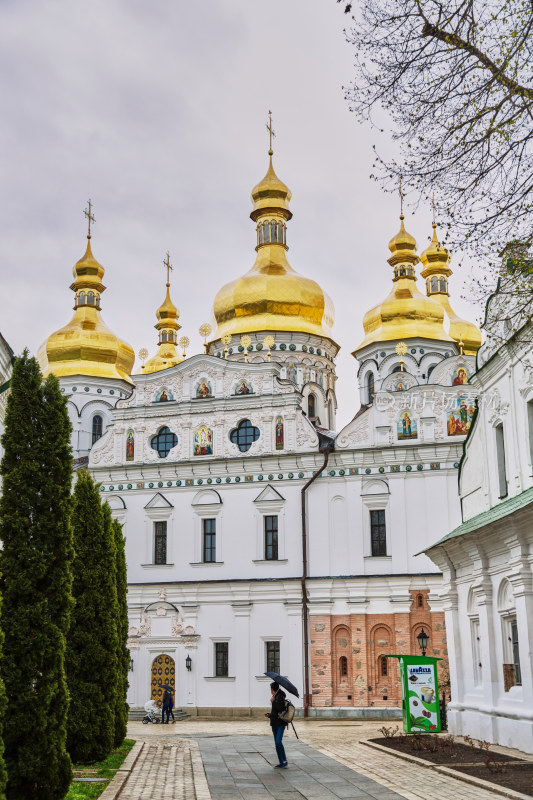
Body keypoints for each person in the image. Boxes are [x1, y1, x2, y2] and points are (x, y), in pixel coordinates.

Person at [265, 681, 288, 768]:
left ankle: (284, 760)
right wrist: (269, 715)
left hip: (280, 723)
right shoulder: (275, 697)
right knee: (277, 743)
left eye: (270, 688)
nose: (270, 690)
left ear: (273, 689)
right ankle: (281, 762)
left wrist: (273, 702)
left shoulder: (280, 696)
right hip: (274, 722)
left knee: (278, 742)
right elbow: (275, 712)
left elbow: (281, 709)